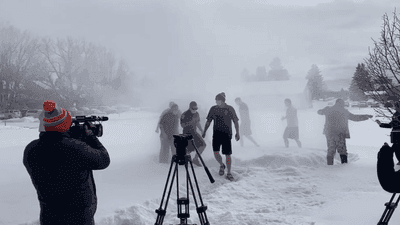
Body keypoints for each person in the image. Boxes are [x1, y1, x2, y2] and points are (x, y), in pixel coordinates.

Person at [23, 100, 110, 225]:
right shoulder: (75, 149)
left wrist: (69, 137)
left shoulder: (31, 149)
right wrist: (90, 136)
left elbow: (56, 155)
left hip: (49, 216)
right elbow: (104, 160)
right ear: (64, 125)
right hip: (79, 219)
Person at [317, 98, 373, 165]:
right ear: (341, 104)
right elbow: (354, 118)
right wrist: (366, 116)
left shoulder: (328, 109)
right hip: (340, 133)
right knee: (342, 151)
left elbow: (319, 112)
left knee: (331, 150)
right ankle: (344, 165)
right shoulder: (343, 111)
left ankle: (330, 165)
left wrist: (324, 109)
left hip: (329, 133)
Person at [202, 92, 240, 181]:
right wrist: (204, 131)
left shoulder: (230, 109)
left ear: (222, 101)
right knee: (216, 152)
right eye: (216, 100)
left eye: (218, 100)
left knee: (227, 154)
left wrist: (237, 133)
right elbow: (208, 121)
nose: (216, 102)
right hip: (216, 134)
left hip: (227, 134)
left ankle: (229, 172)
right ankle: (221, 165)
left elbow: (235, 121)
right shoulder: (213, 109)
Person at [180, 101, 207, 166]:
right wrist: (190, 122)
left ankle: (195, 159)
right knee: (189, 149)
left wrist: (202, 130)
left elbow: (197, 123)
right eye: (193, 108)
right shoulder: (185, 114)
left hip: (194, 132)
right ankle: (184, 160)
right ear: (190, 107)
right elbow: (182, 125)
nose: (195, 110)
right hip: (187, 134)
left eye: (196, 108)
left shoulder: (196, 114)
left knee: (203, 145)